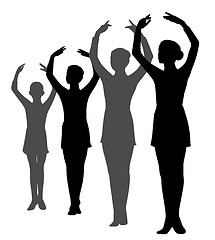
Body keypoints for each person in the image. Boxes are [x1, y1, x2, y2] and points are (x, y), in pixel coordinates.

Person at [132, 13, 199, 234]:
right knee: (172, 174)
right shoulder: (178, 74)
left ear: (163, 56)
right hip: (170, 125)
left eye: (162, 52)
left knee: (171, 174)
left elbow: (137, 54)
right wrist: (182, 25)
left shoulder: (164, 75)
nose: (161, 55)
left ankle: (173, 218)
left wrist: (139, 31)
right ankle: (172, 218)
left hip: (168, 125)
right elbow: (195, 44)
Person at [89, 20, 153, 226]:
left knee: (115, 173)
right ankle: (120, 213)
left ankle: (119, 214)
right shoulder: (130, 79)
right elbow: (148, 58)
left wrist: (98, 35)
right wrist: (139, 35)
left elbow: (93, 58)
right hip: (122, 128)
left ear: (113, 61)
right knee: (122, 173)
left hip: (114, 129)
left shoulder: (108, 79)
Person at [45, 47, 99, 215]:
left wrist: (53, 57)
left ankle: (74, 202)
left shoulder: (65, 93)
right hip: (80, 133)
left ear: (69, 78)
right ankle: (75, 202)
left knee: (71, 169)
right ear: (81, 78)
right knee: (78, 168)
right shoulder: (84, 93)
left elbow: (49, 76)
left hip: (70, 134)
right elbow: (97, 75)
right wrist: (91, 58)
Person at [12, 64, 56, 210]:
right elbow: (55, 90)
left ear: (31, 93)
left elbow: (14, 89)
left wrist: (17, 74)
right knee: (37, 169)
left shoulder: (32, 105)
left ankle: (38, 199)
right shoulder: (40, 106)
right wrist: (49, 74)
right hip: (34, 138)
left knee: (36, 170)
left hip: (35, 138)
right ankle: (36, 199)